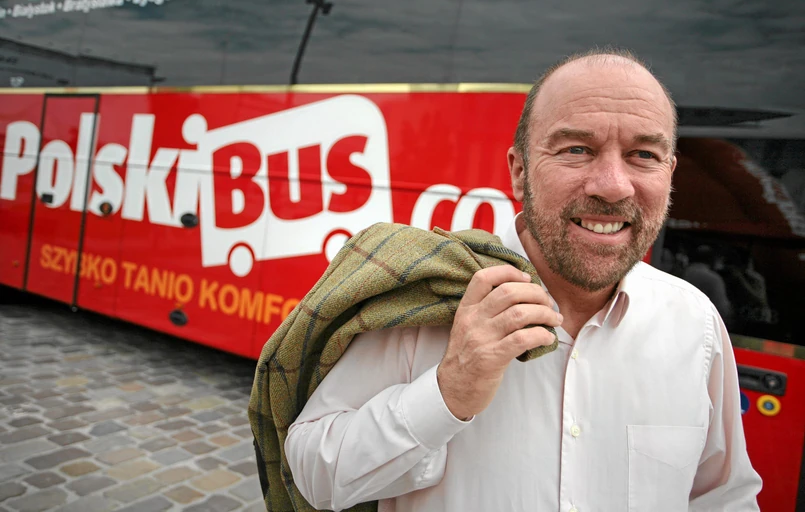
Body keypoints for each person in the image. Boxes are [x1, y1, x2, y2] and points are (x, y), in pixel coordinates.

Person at [283, 49, 762, 511]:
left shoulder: (695, 324)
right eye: (577, 150)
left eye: (643, 154)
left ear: (669, 174)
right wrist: (447, 393)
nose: (613, 185)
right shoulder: (430, 298)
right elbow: (312, 475)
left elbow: (724, 498)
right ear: (519, 172)